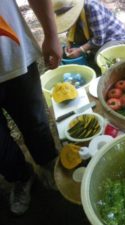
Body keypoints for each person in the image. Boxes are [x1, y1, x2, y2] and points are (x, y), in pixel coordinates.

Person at [0, 0, 62, 215]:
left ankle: (47, 164)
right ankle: (20, 176)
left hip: (13, 56)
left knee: (36, 123)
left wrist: (51, 35)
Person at [52, 0, 125, 70]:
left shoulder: (92, 7)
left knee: (100, 58)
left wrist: (80, 50)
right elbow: (71, 33)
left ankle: (97, 55)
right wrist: (69, 45)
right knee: (76, 42)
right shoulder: (72, 10)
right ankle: (93, 53)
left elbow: (99, 39)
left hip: (116, 38)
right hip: (98, 37)